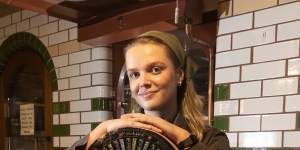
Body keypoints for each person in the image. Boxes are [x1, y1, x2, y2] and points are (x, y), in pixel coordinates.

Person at [68, 31, 230, 150]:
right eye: (135, 74)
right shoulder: (119, 138)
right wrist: (96, 134)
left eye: (155, 69)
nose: (143, 82)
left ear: (179, 75)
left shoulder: (212, 139)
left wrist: (182, 138)